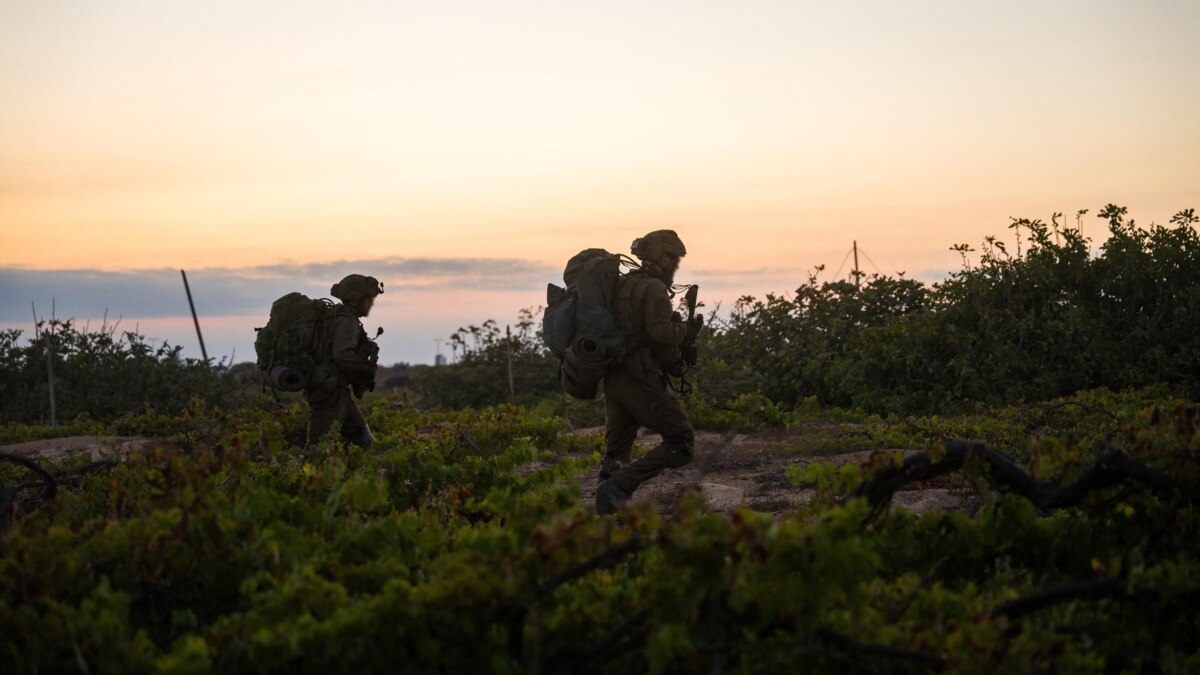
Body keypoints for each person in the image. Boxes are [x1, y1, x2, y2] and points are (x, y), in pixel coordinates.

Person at [595, 230, 695, 515]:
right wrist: (684, 330)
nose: (676, 265)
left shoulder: (623, 284)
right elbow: (659, 333)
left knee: (617, 452)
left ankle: (606, 516)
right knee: (682, 442)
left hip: (614, 378)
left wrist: (674, 365)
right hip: (639, 379)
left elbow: (642, 337)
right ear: (662, 258)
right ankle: (618, 487)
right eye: (673, 259)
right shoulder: (653, 289)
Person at [305, 273, 384, 451]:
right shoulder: (347, 321)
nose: (371, 304)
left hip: (337, 392)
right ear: (356, 299)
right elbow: (343, 356)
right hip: (330, 393)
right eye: (369, 299)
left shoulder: (335, 317)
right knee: (317, 449)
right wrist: (364, 370)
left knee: (363, 442)